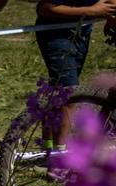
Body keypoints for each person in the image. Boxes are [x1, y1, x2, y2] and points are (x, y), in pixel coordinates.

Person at [34, 0, 116, 146]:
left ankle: (47, 144)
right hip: (55, 32)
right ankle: (60, 155)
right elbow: (45, 8)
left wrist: (111, 17)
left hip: (82, 30)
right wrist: (93, 11)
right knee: (69, 91)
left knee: (59, 89)